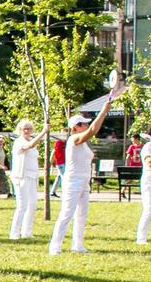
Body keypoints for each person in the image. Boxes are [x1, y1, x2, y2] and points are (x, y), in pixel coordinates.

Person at [49, 83, 119, 256]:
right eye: (82, 124)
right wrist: (104, 110)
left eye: (84, 123)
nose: (85, 125)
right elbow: (94, 130)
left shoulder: (82, 142)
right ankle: (55, 246)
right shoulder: (74, 139)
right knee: (67, 213)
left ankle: (77, 245)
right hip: (73, 181)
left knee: (81, 215)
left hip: (84, 181)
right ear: (75, 127)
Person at [9, 120, 46, 239]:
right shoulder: (18, 142)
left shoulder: (31, 140)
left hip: (32, 177)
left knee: (32, 205)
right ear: (20, 130)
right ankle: (14, 233)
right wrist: (44, 132)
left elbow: (33, 145)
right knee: (22, 206)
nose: (27, 131)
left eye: (29, 129)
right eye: (24, 129)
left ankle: (27, 232)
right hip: (21, 177)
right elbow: (29, 146)